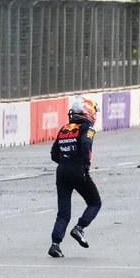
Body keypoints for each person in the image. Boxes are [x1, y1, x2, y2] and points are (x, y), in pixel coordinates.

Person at [48, 96, 101, 258]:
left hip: (62, 171)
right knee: (95, 202)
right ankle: (79, 228)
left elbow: (54, 154)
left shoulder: (64, 128)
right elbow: (86, 146)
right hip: (78, 170)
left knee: (63, 212)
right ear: (87, 112)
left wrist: (66, 162)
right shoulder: (88, 128)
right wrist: (84, 166)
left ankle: (55, 245)